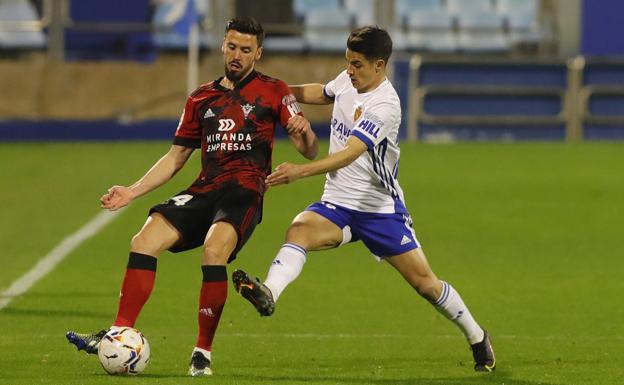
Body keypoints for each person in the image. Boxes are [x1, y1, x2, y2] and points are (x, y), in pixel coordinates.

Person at [232, 26, 496, 372]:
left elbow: (350, 154)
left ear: (379, 65)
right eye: (347, 63)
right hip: (337, 204)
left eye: (356, 64)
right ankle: (268, 293)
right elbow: (321, 93)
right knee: (299, 230)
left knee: (426, 285)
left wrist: (299, 171)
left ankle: (477, 337)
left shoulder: (385, 105)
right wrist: (273, 92)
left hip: (378, 210)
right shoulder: (348, 80)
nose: (349, 71)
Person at [65, 16, 318, 377]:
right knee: (143, 241)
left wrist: (304, 132)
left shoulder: (275, 91)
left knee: (214, 251)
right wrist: (132, 191)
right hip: (204, 188)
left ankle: (202, 352)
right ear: (223, 46)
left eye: (246, 50)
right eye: (232, 46)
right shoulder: (201, 98)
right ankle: (120, 331)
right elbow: (175, 158)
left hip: (243, 192)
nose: (237, 55)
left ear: (258, 53)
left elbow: (309, 150)